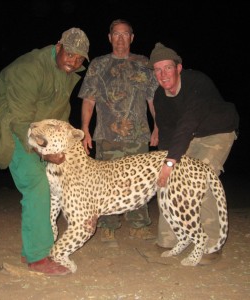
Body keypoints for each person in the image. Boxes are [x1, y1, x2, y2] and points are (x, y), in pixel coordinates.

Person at [0, 28, 90, 275]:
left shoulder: (67, 71)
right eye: (70, 54)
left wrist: (65, 147)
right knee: (37, 185)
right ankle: (38, 258)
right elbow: (20, 121)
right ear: (58, 46)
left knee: (51, 186)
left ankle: (30, 249)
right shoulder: (29, 68)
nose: (73, 62)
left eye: (79, 58)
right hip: (12, 128)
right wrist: (44, 153)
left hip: (41, 133)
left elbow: (59, 114)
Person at [148, 42, 239, 264]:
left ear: (179, 68)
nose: (163, 74)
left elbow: (187, 122)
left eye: (168, 68)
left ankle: (212, 245)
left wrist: (170, 163)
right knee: (170, 181)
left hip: (217, 131)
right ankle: (169, 239)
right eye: (158, 70)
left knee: (201, 180)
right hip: (187, 135)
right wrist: (165, 167)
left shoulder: (197, 81)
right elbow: (168, 135)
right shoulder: (159, 97)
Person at [78, 19, 159, 247]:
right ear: (109, 37)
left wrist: (157, 125)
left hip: (138, 134)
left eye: (125, 34)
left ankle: (138, 225)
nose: (121, 38)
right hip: (106, 134)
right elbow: (89, 99)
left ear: (132, 38)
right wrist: (84, 128)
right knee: (107, 182)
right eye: (116, 34)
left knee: (138, 181)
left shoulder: (144, 63)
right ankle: (108, 228)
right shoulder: (98, 64)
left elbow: (152, 99)